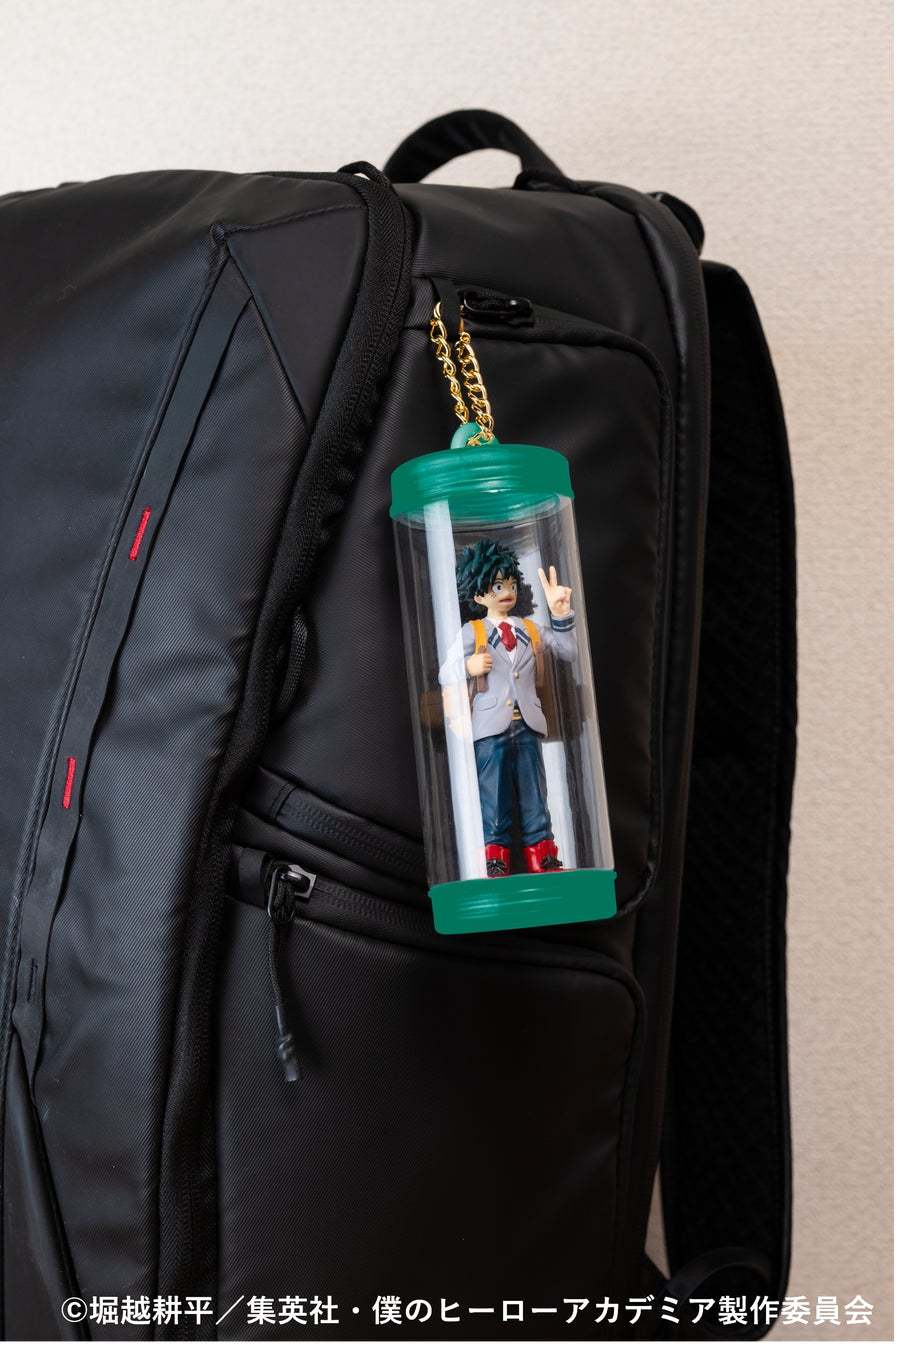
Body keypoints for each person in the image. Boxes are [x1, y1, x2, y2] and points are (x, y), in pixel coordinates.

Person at [439, 539, 577, 877]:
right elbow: (445, 672)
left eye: (511, 584)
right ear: (478, 595)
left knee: (535, 794)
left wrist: (560, 613)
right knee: (493, 795)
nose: (507, 592)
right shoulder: (472, 631)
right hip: (490, 727)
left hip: (528, 724)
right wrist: (468, 666)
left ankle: (543, 856)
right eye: (498, 586)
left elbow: (568, 651)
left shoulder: (529, 628)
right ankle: (493, 858)